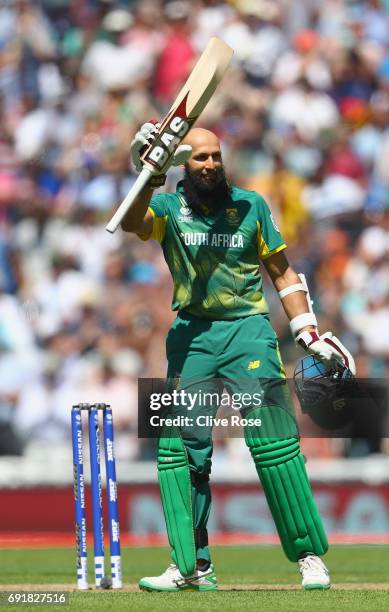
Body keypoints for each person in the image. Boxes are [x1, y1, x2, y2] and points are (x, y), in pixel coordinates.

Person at [120, 124, 356, 592]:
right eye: (199, 159)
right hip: (191, 335)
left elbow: (283, 272)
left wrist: (307, 332)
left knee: (274, 443)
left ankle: (309, 556)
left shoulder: (251, 205)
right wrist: (149, 172)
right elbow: (132, 222)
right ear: (181, 166)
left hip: (249, 331)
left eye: (215, 157)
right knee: (180, 449)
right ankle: (191, 566)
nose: (210, 165)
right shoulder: (168, 206)